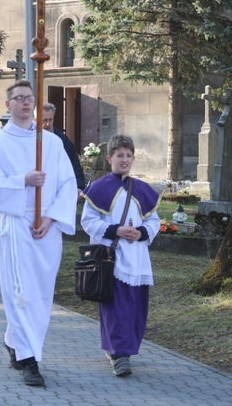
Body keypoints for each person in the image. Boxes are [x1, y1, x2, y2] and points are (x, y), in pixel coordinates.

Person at [0, 80, 77, 387]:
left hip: (47, 227)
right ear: (7, 105)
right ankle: (28, 359)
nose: (24, 102)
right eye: (18, 98)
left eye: (29, 98)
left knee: (41, 294)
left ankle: (14, 340)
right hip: (17, 225)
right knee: (20, 293)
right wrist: (23, 180)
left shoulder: (50, 142)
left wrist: (50, 217)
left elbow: (67, 184)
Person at [79, 134, 160, 377]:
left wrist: (143, 232)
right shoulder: (99, 188)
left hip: (138, 257)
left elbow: (154, 220)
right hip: (112, 258)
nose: (124, 160)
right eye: (119, 155)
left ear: (134, 158)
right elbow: (88, 222)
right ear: (109, 158)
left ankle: (125, 349)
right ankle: (119, 355)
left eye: (128, 155)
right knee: (117, 307)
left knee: (135, 307)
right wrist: (117, 230)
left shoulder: (143, 190)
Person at [40, 103, 86, 192]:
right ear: (36, 120)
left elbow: (73, 162)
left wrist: (79, 186)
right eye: (44, 120)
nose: (48, 123)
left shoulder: (62, 140)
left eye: (51, 119)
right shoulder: (30, 139)